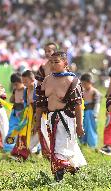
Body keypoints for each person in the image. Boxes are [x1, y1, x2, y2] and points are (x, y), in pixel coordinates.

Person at [41, 51, 87, 182]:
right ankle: (75, 172)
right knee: (65, 148)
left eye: (57, 62)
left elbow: (78, 105)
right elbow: (41, 102)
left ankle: (58, 180)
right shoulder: (47, 80)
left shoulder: (72, 81)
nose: (53, 65)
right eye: (51, 62)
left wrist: (79, 125)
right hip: (51, 119)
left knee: (59, 150)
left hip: (66, 119)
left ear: (65, 63)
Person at [7, 70, 39, 160]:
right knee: (22, 132)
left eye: (25, 81)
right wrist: (24, 113)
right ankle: (20, 153)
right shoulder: (26, 91)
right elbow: (26, 104)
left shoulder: (38, 89)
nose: (24, 83)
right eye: (23, 81)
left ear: (32, 79)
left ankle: (38, 151)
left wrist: (37, 115)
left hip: (39, 115)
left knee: (39, 134)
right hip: (27, 115)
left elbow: (40, 104)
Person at [35, 42, 58, 159]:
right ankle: (47, 150)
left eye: (50, 50)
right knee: (45, 125)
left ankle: (59, 150)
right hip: (46, 100)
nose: (48, 53)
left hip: (59, 100)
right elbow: (39, 85)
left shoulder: (61, 66)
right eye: (46, 51)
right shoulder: (43, 68)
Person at [3, 73, 25, 152]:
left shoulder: (26, 90)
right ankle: (9, 147)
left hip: (24, 114)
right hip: (15, 113)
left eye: (16, 84)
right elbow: (11, 100)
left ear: (22, 82)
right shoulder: (15, 90)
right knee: (12, 130)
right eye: (13, 85)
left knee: (24, 130)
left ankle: (26, 147)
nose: (15, 87)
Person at [80, 73, 101, 148]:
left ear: (90, 82)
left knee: (91, 129)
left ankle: (92, 144)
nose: (84, 85)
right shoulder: (82, 92)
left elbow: (97, 104)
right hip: (83, 113)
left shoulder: (94, 92)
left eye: (85, 84)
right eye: (82, 84)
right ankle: (83, 142)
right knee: (83, 127)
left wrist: (95, 114)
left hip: (91, 113)